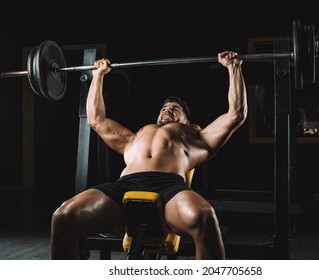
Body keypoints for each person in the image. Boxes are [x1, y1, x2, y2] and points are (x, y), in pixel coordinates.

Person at [50, 50, 247, 260]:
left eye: (175, 108)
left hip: (170, 187)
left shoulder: (197, 138)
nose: (168, 110)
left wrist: (233, 67)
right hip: (124, 184)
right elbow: (96, 119)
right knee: (63, 217)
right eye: (164, 108)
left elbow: (236, 115)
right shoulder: (135, 136)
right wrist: (98, 75)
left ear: (187, 122)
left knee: (205, 218)